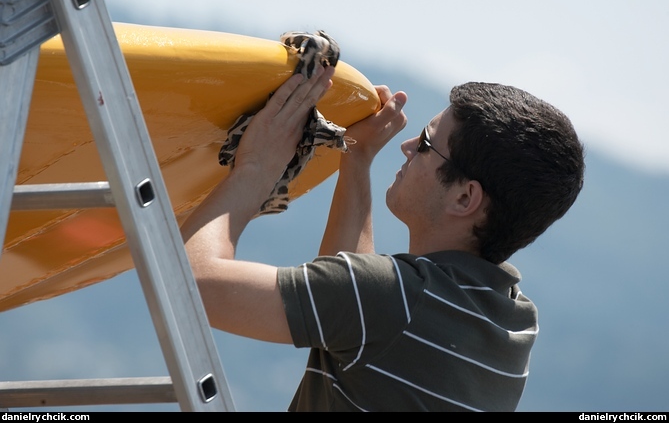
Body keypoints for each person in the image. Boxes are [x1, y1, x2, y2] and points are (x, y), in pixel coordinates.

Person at [180, 65, 586, 412]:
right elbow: (356, 317)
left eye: (427, 144)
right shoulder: (512, 324)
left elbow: (188, 285)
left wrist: (255, 167)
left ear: (465, 197)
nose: (408, 145)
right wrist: (355, 157)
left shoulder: (394, 300)